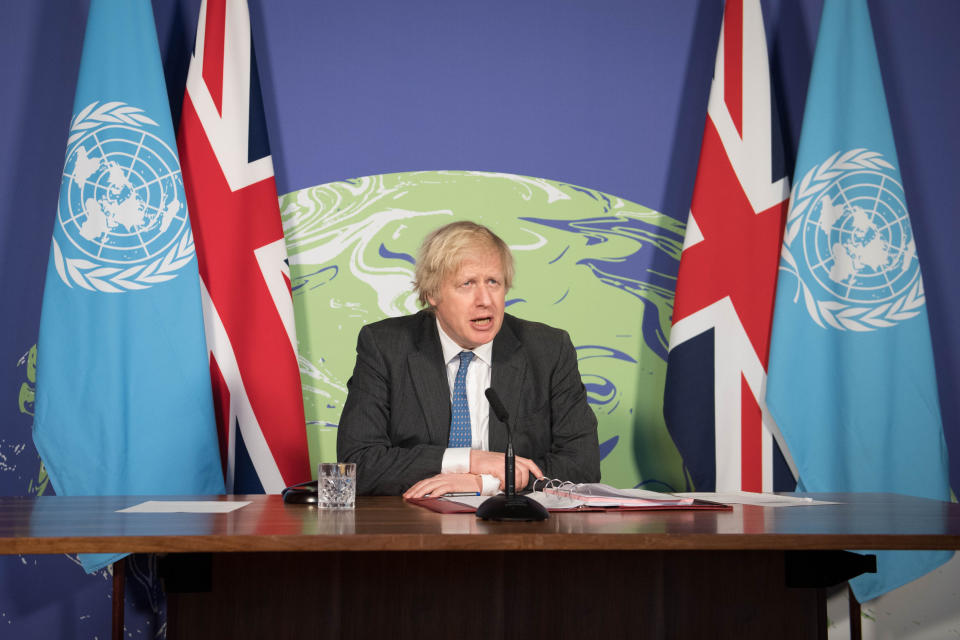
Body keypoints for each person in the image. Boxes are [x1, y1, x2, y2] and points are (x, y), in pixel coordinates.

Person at [336, 220, 601, 497]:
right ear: (432, 293)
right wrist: (470, 460)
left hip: (516, 530)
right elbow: (358, 464)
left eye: (493, 282)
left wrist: (487, 482)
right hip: (416, 529)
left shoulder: (548, 350)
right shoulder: (386, 346)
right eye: (467, 284)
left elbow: (582, 466)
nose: (485, 299)